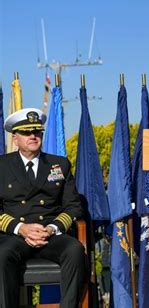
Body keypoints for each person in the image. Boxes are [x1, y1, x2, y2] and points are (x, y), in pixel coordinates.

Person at [0, 108, 87, 308]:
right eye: (26, 132)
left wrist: (51, 229)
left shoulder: (60, 165)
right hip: (15, 236)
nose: (33, 136)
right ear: (15, 138)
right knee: (1, 256)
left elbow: (73, 206)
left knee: (74, 250)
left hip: (50, 234)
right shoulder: (2, 166)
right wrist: (20, 228)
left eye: (37, 132)